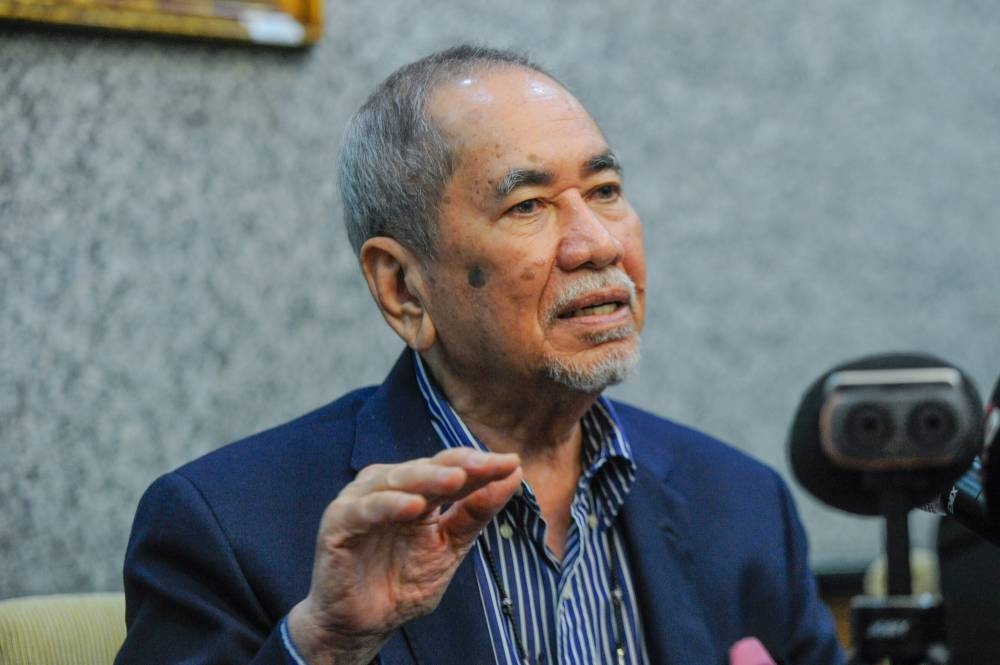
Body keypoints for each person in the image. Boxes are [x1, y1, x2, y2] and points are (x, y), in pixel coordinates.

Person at [115, 45, 844, 665]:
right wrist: (329, 644)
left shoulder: (742, 506)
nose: (598, 244)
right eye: (528, 206)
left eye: (605, 190)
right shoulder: (231, 526)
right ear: (404, 289)